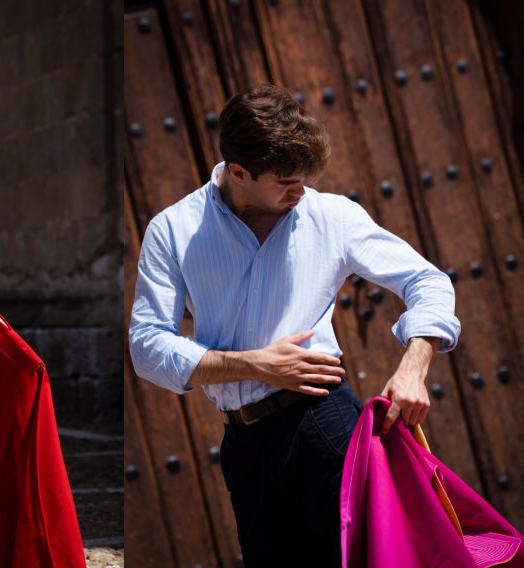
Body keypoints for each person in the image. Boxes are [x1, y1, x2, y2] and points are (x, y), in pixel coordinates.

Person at [128, 85, 461, 567]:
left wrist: (415, 364)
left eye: (304, 178)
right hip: (244, 447)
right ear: (238, 172)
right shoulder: (173, 229)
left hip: (325, 425)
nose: (300, 192)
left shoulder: (331, 215)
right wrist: (255, 366)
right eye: (285, 182)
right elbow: (146, 346)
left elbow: (426, 280)